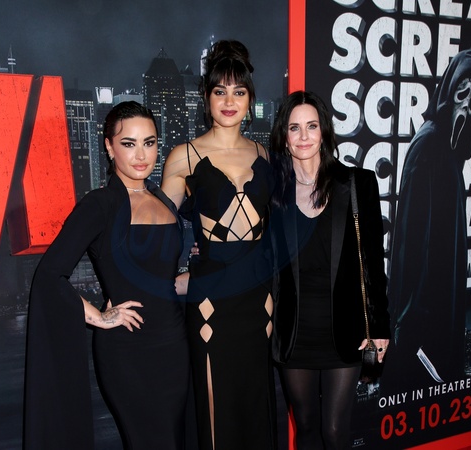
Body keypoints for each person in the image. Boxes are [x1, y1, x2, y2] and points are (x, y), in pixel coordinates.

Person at [23, 101, 190, 450]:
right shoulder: (100, 204)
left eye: (149, 142)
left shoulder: (164, 201)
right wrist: (98, 316)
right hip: (128, 352)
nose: (141, 155)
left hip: (175, 347)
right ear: (109, 147)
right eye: (129, 143)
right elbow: (50, 275)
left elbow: (165, 279)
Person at [161, 40, 277, 450]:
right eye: (220, 91)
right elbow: (158, 231)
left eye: (239, 92)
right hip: (211, 300)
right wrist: (172, 275)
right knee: (215, 411)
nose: (229, 101)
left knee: (256, 407)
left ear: (250, 99)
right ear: (206, 97)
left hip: (259, 301)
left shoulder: (265, 154)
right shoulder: (184, 156)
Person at [269, 90, 390, 449]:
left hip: (346, 328)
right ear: (284, 137)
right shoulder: (274, 193)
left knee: (335, 431)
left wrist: (379, 326)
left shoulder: (356, 183)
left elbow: (374, 262)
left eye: (312, 126)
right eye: (294, 128)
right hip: (295, 331)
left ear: (324, 131)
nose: (304, 136)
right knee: (305, 428)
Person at [387, 49, 471, 385]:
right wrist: (410, 323)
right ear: (449, 92)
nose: (469, 106)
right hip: (423, 321)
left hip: (439, 309)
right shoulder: (429, 145)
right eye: (463, 93)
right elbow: (411, 243)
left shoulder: (448, 150)